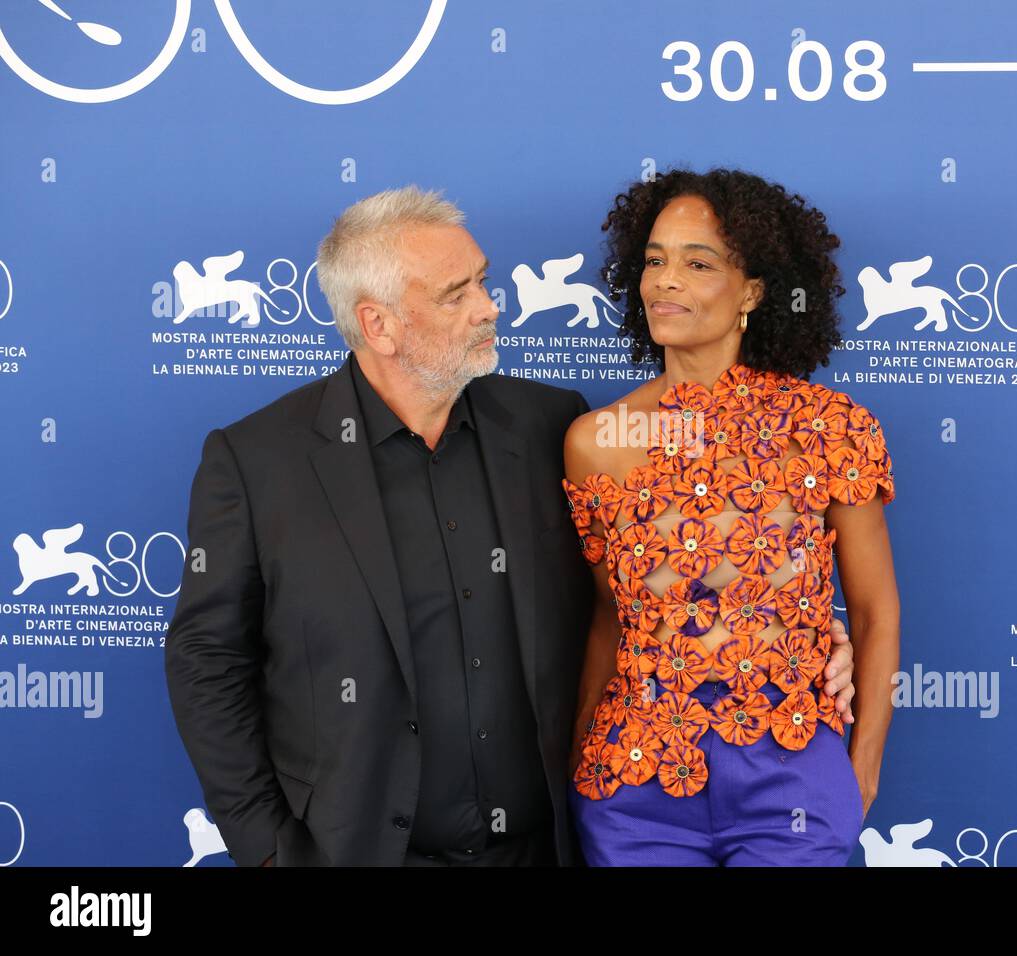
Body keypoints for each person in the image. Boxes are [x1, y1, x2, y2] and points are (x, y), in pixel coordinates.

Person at [163, 184, 860, 866]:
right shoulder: (259, 463)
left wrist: (793, 629)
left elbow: (636, 592)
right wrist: (264, 849)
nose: (488, 308)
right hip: (358, 850)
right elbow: (207, 662)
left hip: (543, 845)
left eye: (483, 282)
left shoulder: (550, 427)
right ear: (379, 324)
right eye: (456, 294)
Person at [562, 168, 901, 866]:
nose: (665, 281)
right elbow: (608, 617)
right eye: (654, 261)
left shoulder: (829, 428)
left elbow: (874, 613)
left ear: (752, 291)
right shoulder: (596, 441)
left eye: (697, 263)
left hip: (793, 780)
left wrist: (859, 770)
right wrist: (575, 760)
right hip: (632, 784)